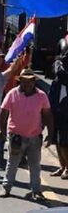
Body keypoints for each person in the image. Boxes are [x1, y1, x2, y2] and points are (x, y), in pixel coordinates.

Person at [0, 68, 55, 201]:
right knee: (13, 163)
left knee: (35, 164)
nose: (27, 84)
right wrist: (1, 129)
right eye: (24, 81)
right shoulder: (12, 93)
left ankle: (36, 190)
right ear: (20, 81)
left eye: (30, 81)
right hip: (16, 135)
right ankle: (6, 187)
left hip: (34, 136)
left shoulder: (41, 95)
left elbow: (47, 114)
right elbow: (3, 112)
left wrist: (50, 135)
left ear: (34, 82)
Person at [49, 51, 68, 179]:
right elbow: (57, 71)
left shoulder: (63, 74)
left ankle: (67, 167)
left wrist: (59, 62)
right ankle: (62, 166)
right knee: (55, 139)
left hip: (66, 111)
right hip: (56, 109)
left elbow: (61, 74)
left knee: (64, 142)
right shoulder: (56, 81)